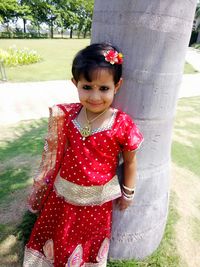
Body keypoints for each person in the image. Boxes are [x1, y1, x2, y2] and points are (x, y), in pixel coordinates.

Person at [23, 43, 143, 267]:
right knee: (61, 237)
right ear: (75, 84)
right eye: (87, 87)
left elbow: (130, 162)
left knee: (87, 243)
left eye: (104, 88)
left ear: (117, 86)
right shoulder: (68, 117)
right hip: (62, 197)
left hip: (97, 204)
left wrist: (128, 194)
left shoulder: (121, 123)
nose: (95, 96)